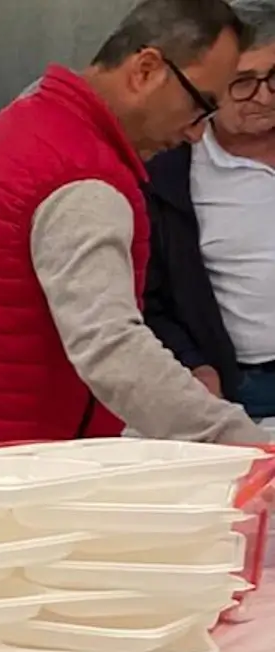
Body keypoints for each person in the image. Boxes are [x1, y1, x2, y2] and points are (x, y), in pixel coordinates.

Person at [0, 0, 264, 455]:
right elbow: (111, 346)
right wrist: (244, 445)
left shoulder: (27, 124)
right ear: (146, 69)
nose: (195, 133)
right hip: (14, 477)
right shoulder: (82, 177)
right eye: (199, 107)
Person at [146, 0, 275, 416]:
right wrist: (193, 364)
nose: (264, 97)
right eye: (244, 82)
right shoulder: (169, 171)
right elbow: (148, 296)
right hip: (245, 386)